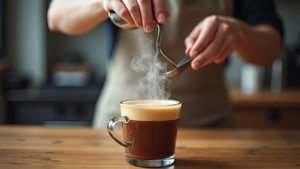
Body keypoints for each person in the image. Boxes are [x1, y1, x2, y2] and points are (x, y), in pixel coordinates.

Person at [48, 0, 283, 128]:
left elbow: (271, 48)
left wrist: (238, 31)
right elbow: (56, 16)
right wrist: (101, 2)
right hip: (124, 126)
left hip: (211, 124)